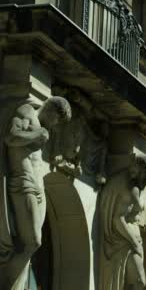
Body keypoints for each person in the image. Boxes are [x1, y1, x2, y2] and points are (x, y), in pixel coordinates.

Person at [0, 96, 71, 289]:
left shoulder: (41, 127)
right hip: (23, 183)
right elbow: (11, 137)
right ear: (52, 110)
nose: (55, 125)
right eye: (57, 120)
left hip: (36, 188)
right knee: (33, 242)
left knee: (29, 243)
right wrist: (36, 135)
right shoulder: (27, 112)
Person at [99, 154, 146, 290]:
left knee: (137, 283)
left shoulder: (138, 187)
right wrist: (134, 244)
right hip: (125, 241)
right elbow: (118, 219)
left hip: (133, 239)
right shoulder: (130, 188)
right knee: (139, 281)